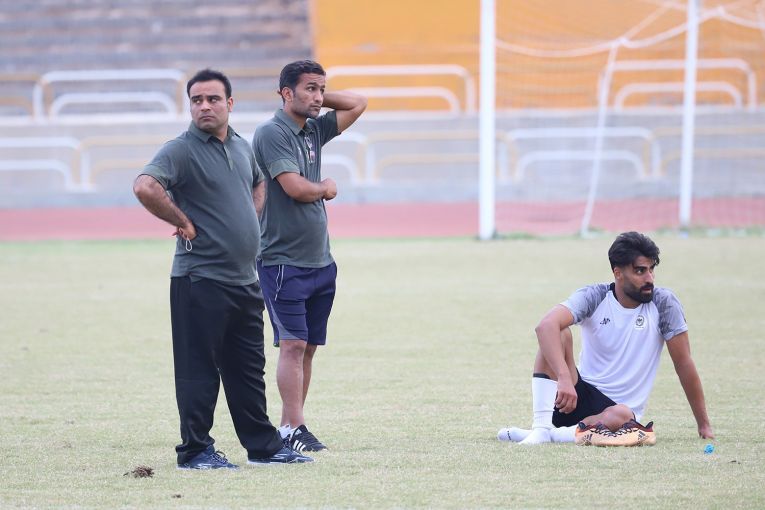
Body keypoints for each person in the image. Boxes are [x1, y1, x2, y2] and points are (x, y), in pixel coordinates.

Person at [133, 68, 312, 468]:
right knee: (198, 370)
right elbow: (145, 186)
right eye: (196, 100)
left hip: (244, 280)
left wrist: (249, 216)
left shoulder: (242, 147)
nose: (204, 106)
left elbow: (259, 182)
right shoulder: (180, 150)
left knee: (247, 370)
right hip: (199, 278)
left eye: (213, 99)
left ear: (230, 103)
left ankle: (264, 447)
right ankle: (195, 451)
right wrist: (181, 220)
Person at [498, 231, 714, 445]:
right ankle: (542, 426)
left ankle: (546, 435)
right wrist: (564, 378)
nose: (649, 278)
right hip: (571, 396)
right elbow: (545, 326)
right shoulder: (595, 296)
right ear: (617, 273)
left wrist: (703, 424)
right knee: (558, 332)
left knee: (621, 414)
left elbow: (684, 363)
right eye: (640, 271)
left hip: (618, 415)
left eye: (651, 269)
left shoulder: (665, 303)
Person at [251, 60, 367, 452]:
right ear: (286, 93)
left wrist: (316, 99)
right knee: (293, 345)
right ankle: (294, 427)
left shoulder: (312, 128)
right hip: (282, 260)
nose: (318, 97)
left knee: (309, 346)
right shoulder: (272, 132)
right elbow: (296, 188)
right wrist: (327, 188)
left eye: (321, 89)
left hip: (320, 259)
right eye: (310, 89)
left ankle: (291, 425)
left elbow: (358, 103)